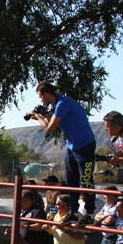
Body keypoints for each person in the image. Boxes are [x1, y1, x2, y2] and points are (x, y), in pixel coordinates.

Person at [31, 82, 96, 225]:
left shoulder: (62, 104)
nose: (41, 101)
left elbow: (49, 129)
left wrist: (38, 117)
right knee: (70, 181)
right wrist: (45, 115)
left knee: (85, 180)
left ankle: (90, 214)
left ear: (46, 94)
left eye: (41, 97)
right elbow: (58, 122)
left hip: (84, 145)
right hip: (72, 147)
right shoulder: (58, 106)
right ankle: (73, 211)